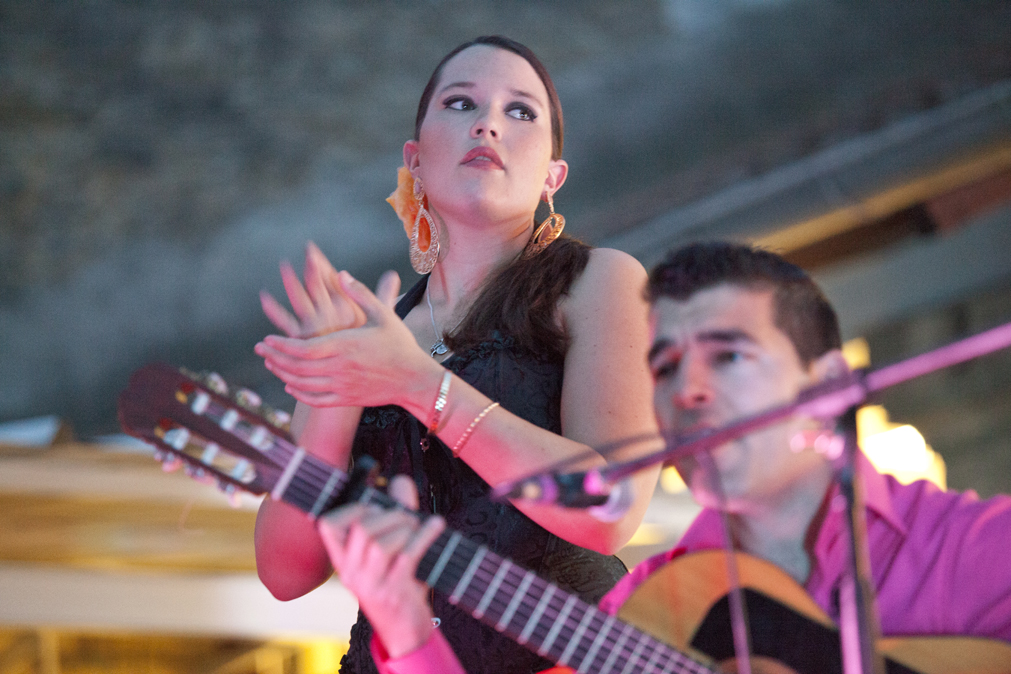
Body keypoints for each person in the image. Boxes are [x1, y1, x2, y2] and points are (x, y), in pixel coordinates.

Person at [314, 241, 1011, 673]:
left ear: (826, 386)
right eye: (667, 367)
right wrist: (404, 623)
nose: (690, 391)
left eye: (727, 355)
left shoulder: (969, 546)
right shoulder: (661, 610)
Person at [252, 36, 661, 674]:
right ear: (415, 161)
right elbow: (285, 572)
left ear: (553, 176)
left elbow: (610, 509)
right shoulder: (370, 333)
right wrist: (332, 396)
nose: (488, 122)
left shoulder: (600, 282)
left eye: (521, 112)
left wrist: (422, 386)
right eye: (461, 102)